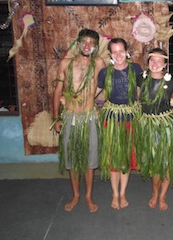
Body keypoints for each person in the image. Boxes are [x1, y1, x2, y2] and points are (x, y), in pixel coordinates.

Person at [53, 28, 105, 213]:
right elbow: (58, 91)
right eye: (84, 41)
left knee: (90, 160)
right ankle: (75, 194)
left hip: (89, 117)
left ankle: (88, 196)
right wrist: (57, 118)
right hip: (70, 117)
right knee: (73, 159)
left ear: (96, 46)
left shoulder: (99, 63)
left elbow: (107, 85)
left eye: (91, 42)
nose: (87, 45)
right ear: (78, 42)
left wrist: (98, 102)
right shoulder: (66, 63)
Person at [136, 48, 173, 211]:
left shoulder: (171, 82)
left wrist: (172, 102)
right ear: (148, 62)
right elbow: (138, 99)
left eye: (159, 60)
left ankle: (162, 195)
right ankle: (155, 193)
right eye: (152, 60)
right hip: (148, 125)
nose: (155, 63)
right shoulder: (141, 79)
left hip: (166, 125)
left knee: (166, 162)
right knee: (154, 163)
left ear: (165, 64)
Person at [97, 38, 142, 210]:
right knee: (114, 159)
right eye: (114, 51)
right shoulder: (105, 73)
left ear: (127, 51)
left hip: (130, 119)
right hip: (112, 120)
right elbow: (95, 91)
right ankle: (115, 194)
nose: (118, 55)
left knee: (126, 159)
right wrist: (75, 101)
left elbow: (141, 89)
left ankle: (123, 192)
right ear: (110, 54)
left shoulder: (135, 69)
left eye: (121, 51)